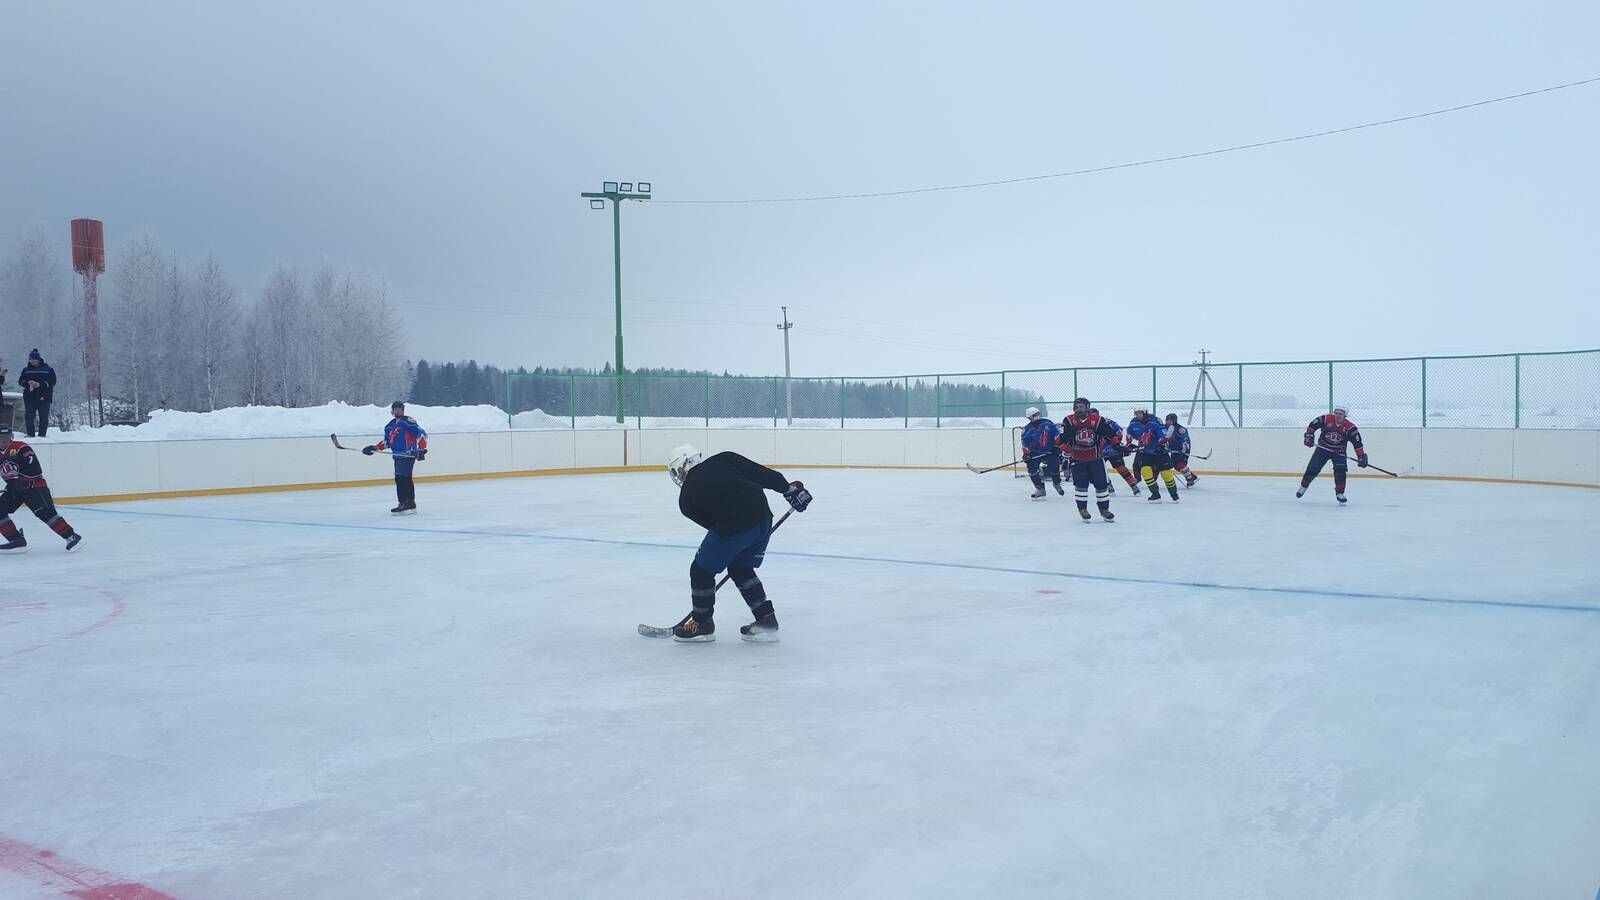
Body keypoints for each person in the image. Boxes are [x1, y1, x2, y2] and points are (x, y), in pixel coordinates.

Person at [666, 444, 811, 643]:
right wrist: (789, 490)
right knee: (740, 567)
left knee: (700, 571)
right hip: (763, 519)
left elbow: (713, 527)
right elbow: (762, 474)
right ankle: (766, 619)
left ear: (681, 467)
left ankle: (702, 623)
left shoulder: (685, 500)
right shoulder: (724, 458)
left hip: (736, 527)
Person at [0, 422, 82, 552]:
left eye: (6, 437)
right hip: (15, 489)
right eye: (0, 438)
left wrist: (18, 481)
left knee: (46, 514)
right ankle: (16, 540)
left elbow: (35, 469)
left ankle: (71, 536)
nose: (4, 440)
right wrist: (13, 484)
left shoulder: (21, 447)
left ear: (11, 436)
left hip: (35, 487)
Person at [1056, 397, 1120, 522]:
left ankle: (1104, 510)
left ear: (1087, 407)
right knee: (1081, 485)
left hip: (1095, 457)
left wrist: (1117, 444)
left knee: (1101, 485)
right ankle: (1083, 509)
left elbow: (1109, 434)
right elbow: (1063, 438)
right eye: (1077, 407)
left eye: (1082, 407)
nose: (1079, 409)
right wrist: (1064, 446)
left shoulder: (1097, 420)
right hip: (1078, 459)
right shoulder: (1068, 420)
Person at [363, 401, 427, 514]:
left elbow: (421, 434)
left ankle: (404, 503)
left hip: (408, 454)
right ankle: (410, 503)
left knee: (401, 477)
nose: (398, 411)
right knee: (404, 478)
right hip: (397, 456)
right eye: (396, 409)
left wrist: (421, 449)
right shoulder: (389, 426)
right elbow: (387, 442)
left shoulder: (407, 422)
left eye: (400, 409)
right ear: (392, 411)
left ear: (403, 410)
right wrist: (374, 448)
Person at [1299, 406, 1367, 504]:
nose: (1338, 416)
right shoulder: (1326, 419)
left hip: (1339, 452)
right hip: (1323, 448)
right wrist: (1309, 436)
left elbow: (1357, 443)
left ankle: (1340, 494)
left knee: (1340, 472)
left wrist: (1361, 456)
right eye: (1336, 413)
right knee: (1312, 468)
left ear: (1345, 416)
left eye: (1340, 414)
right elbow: (1312, 425)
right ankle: (1303, 486)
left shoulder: (1350, 427)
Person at [1125, 409, 1180, 502]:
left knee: (1166, 474)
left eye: (1140, 413)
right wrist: (1129, 444)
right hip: (1146, 452)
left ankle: (1174, 494)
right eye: (1136, 413)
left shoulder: (1155, 421)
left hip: (1159, 452)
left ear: (1145, 413)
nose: (1138, 415)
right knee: (1145, 471)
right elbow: (1129, 433)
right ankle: (1155, 494)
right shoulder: (1133, 423)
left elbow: (1163, 435)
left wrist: (1161, 442)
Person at [1018, 406, 1063, 500]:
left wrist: (1057, 447)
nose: (1036, 416)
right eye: (1033, 415)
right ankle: (1040, 488)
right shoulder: (1027, 430)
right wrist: (1026, 454)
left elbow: (1056, 435)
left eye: (1037, 414)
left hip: (1050, 450)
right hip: (1035, 452)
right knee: (1032, 468)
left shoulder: (1048, 423)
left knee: (1055, 466)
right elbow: (1025, 443)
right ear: (1029, 417)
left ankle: (1056, 483)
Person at [1091, 408, 1139, 494]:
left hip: (1113, 450)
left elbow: (1119, 433)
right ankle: (1108, 485)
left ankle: (1133, 485)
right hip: (1098, 451)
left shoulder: (1108, 422)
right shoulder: (1088, 425)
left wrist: (1111, 441)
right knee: (1099, 470)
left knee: (1121, 468)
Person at [19, 350, 56, 438]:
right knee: (29, 416)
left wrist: (40, 384)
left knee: (43, 417)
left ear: (38, 359)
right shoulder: (26, 370)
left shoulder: (48, 369)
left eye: (33, 359)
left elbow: (52, 381)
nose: (31, 361)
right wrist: (28, 383)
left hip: (44, 397)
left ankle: (42, 435)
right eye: (30, 359)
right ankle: (30, 434)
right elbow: (20, 381)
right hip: (29, 397)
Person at [1163, 413, 1198, 488]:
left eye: (1169, 420)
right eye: (1167, 420)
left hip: (1183, 450)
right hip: (1174, 450)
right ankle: (1193, 477)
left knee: (1180, 464)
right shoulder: (1165, 428)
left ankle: (1190, 480)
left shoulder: (1180, 429)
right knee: (1176, 466)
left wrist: (1183, 449)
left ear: (1174, 421)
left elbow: (1185, 440)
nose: (1167, 422)